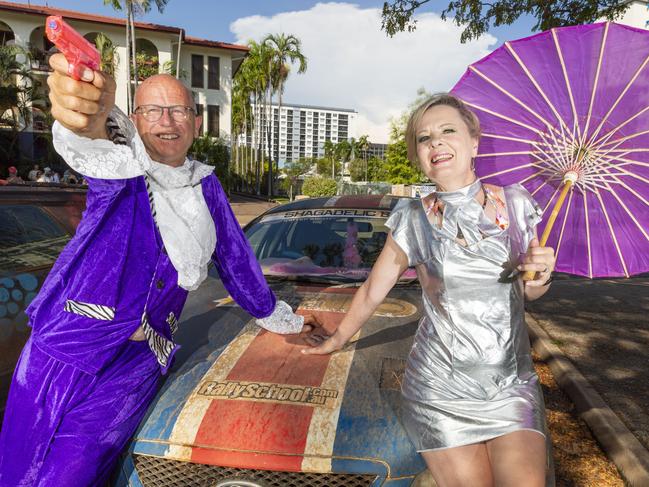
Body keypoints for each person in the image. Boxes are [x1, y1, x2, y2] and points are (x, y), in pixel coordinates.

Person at [0, 53, 318, 487]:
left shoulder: (207, 185)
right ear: (136, 118)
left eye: (178, 110)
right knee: (19, 466)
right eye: (153, 110)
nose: (167, 120)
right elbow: (91, 142)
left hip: (138, 361)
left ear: (196, 122)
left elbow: (237, 260)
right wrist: (84, 117)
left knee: (73, 475)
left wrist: (285, 321)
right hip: (63, 348)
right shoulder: (122, 168)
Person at [304, 93, 556, 487]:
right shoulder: (414, 217)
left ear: (474, 142)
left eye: (447, 131)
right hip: (441, 387)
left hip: (510, 383)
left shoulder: (518, 205)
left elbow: (527, 295)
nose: (436, 142)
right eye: (424, 138)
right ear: (419, 155)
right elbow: (373, 290)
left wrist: (541, 277)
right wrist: (336, 338)